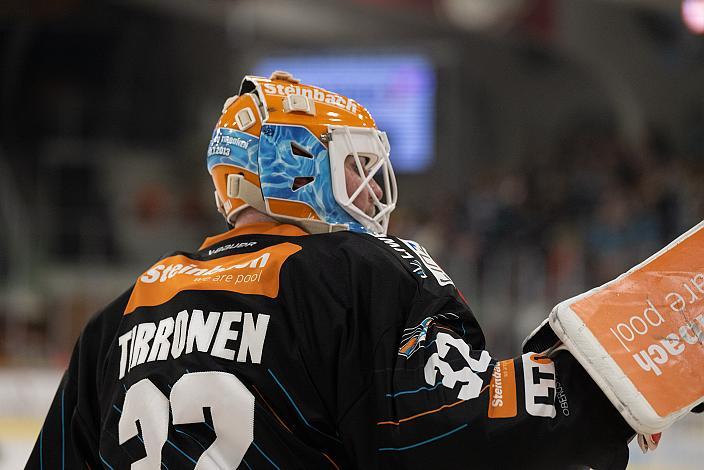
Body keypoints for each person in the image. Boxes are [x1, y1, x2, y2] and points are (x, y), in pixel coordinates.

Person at [28, 71, 637, 470]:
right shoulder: (356, 273)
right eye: (353, 166)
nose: (369, 188)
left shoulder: (121, 315)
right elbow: (444, 432)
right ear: (294, 170)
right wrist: (596, 394)